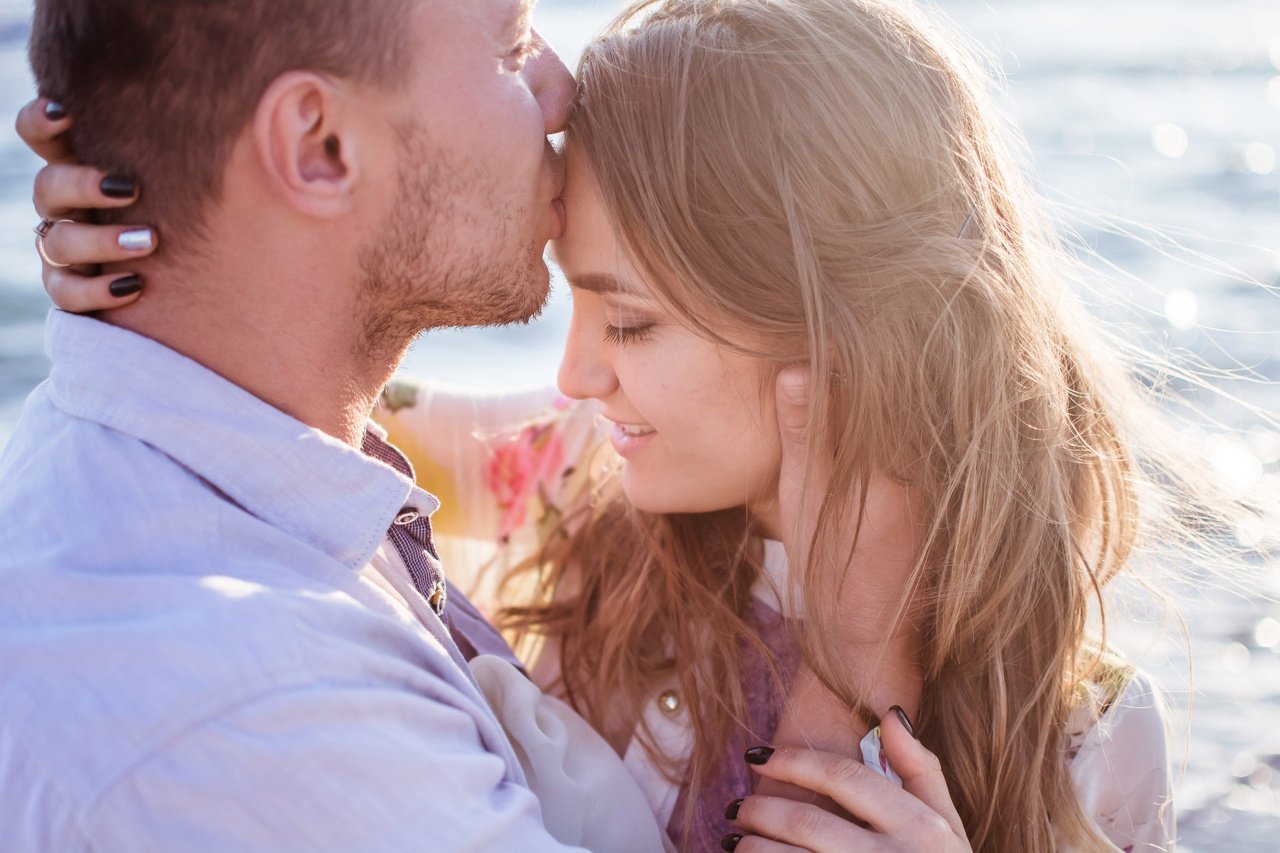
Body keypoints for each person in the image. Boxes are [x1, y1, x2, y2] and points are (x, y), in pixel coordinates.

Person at [17, 0, 1221, 850]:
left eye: (629, 322)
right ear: (317, 145)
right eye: (505, 46)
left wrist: (174, 251)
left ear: (849, 335)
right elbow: (330, 419)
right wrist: (176, 238)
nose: (578, 371)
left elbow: (300, 430)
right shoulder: (584, 482)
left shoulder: (1075, 726)